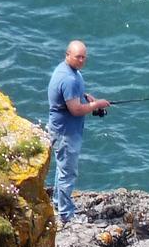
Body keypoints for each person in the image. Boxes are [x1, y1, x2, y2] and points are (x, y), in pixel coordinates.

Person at [47, 40, 110, 225]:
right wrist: (96, 104)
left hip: (61, 128)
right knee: (68, 173)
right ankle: (66, 215)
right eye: (78, 57)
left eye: (84, 57)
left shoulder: (67, 71)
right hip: (66, 132)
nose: (81, 60)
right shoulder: (69, 78)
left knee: (62, 169)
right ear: (67, 55)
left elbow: (71, 96)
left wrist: (85, 97)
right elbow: (75, 110)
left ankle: (58, 204)